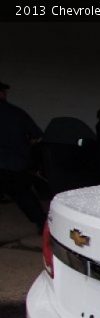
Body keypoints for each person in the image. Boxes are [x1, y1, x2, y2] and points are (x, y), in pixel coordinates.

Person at [0, 80, 47, 233]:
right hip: (15, 163)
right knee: (24, 195)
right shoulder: (15, 112)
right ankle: (42, 224)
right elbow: (38, 135)